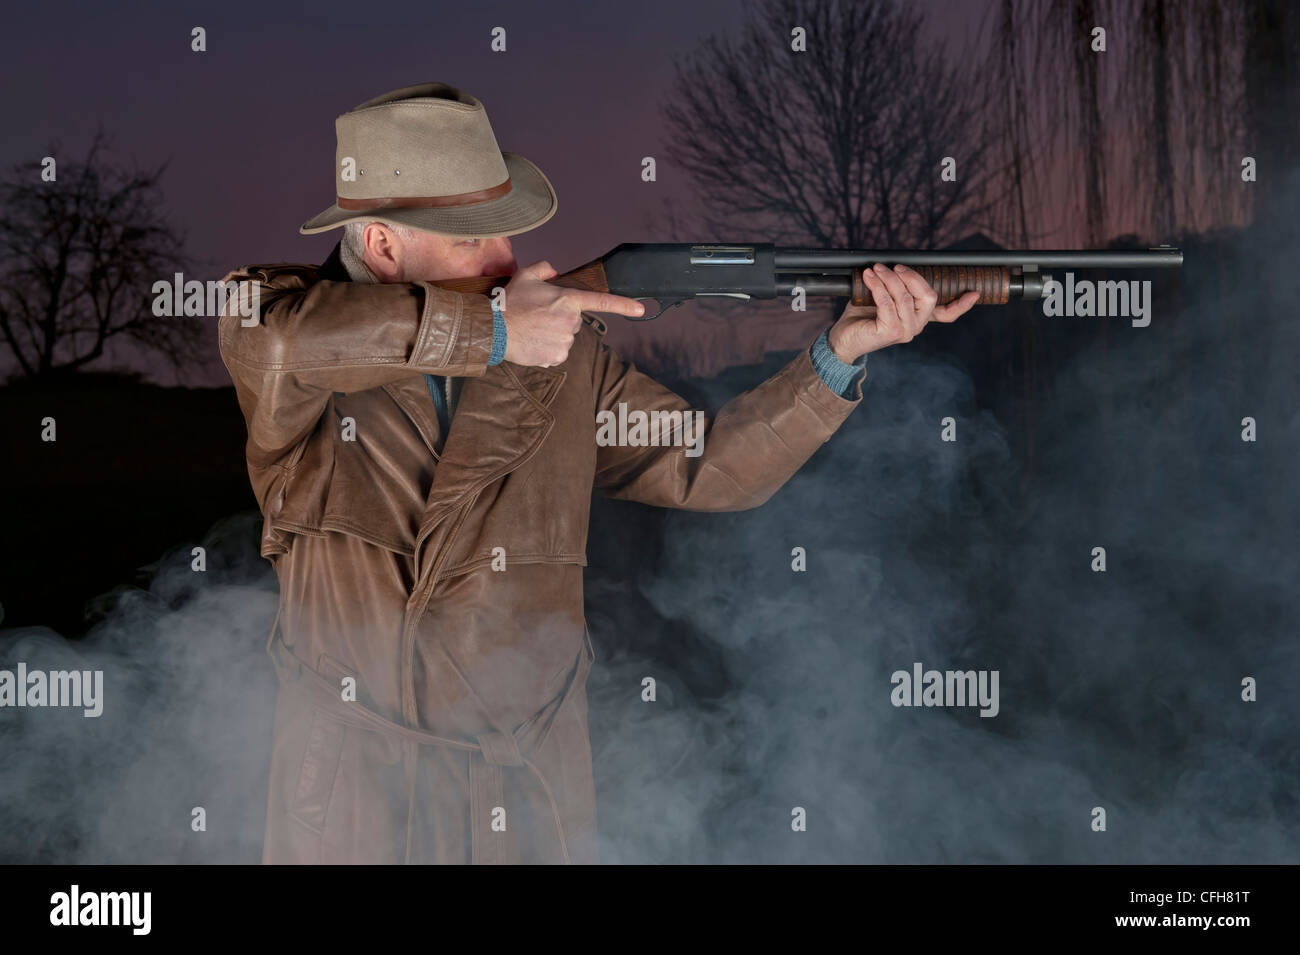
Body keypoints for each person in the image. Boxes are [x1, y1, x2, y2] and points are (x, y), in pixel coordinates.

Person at [217, 82, 977, 864]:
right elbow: (283, 345)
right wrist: (497, 330)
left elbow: (709, 465)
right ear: (380, 245)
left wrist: (839, 352)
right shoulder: (277, 327)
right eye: (475, 239)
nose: (508, 259)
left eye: (507, 229)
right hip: (353, 815)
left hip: (523, 810)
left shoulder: (562, 363)